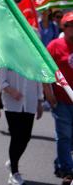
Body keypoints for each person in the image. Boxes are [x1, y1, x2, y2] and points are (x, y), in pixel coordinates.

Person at [0, 67, 43, 185]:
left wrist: (39, 102)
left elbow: (38, 79)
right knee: (16, 136)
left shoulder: (33, 56)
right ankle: (14, 173)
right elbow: (0, 79)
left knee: (26, 137)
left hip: (30, 101)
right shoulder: (7, 56)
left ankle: (13, 161)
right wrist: (11, 91)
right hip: (12, 103)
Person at [46, 11, 73, 182]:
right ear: (65, 27)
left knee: (70, 138)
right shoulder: (55, 45)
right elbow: (45, 71)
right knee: (64, 135)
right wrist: (47, 92)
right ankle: (67, 171)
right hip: (61, 100)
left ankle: (61, 162)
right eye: (72, 25)